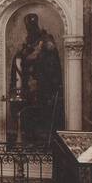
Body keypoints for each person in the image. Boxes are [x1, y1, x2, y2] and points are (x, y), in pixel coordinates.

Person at [10, 13, 63, 144]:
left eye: (30, 25)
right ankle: (29, 140)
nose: (29, 28)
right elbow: (22, 58)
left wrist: (36, 56)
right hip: (28, 85)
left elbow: (50, 58)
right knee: (27, 114)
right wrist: (23, 56)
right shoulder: (28, 41)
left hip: (44, 84)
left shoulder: (45, 39)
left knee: (43, 115)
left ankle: (43, 142)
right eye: (27, 26)